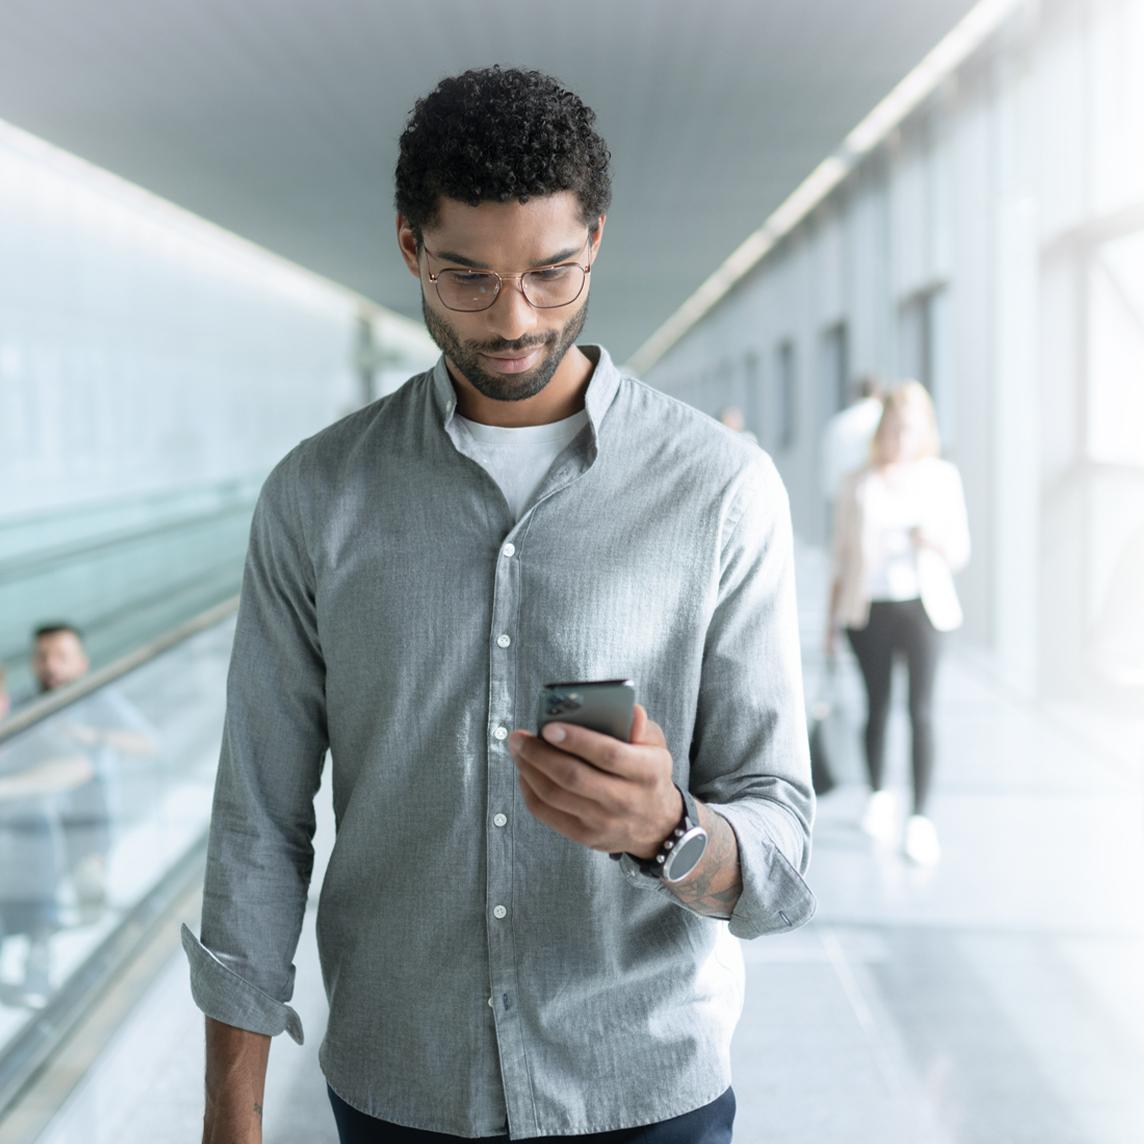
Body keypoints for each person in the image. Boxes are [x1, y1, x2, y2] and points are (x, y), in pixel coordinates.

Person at [183, 66, 815, 1144]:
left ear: (597, 241)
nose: (514, 318)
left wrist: (670, 830)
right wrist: (231, 1113)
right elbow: (260, 821)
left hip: (644, 1087)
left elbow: (782, 858)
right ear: (408, 247)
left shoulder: (720, 488)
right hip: (398, 1088)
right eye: (466, 278)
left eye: (553, 274)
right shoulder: (318, 493)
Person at [826, 381, 970, 866]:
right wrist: (829, 624)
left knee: (922, 710)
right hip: (870, 609)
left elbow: (960, 551)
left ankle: (921, 819)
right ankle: (878, 796)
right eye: (892, 429)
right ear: (880, 429)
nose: (900, 439)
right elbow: (841, 557)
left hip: (925, 609)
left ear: (923, 431)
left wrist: (931, 539)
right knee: (878, 706)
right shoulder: (857, 481)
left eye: (909, 430)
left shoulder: (942, 478)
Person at [820, 375, 884, 505]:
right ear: (878, 393)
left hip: (840, 492)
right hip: (874, 493)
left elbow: (828, 461)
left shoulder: (838, 423)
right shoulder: (881, 419)